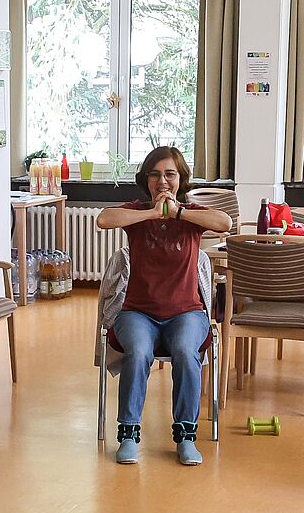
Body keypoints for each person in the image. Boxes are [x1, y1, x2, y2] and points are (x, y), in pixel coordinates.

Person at [94, 145, 231, 465]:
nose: (162, 181)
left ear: (181, 178)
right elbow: (104, 219)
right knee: (139, 352)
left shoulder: (193, 214)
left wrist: (177, 212)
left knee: (185, 352)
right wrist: (153, 213)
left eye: (170, 174)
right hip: (137, 313)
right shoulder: (136, 211)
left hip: (187, 313)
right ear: (146, 180)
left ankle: (186, 436)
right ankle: (128, 434)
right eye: (155, 175)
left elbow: (224, 222)